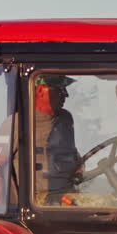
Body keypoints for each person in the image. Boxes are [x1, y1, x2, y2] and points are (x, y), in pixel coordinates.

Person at [33, 75, 80, 203]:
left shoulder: (65, 119)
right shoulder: (17, 123)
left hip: (66, 195)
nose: (66, 95)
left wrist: (79, 166)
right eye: (60, 89)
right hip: (39, 202)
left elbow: (71, 151)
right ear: (40, 91)